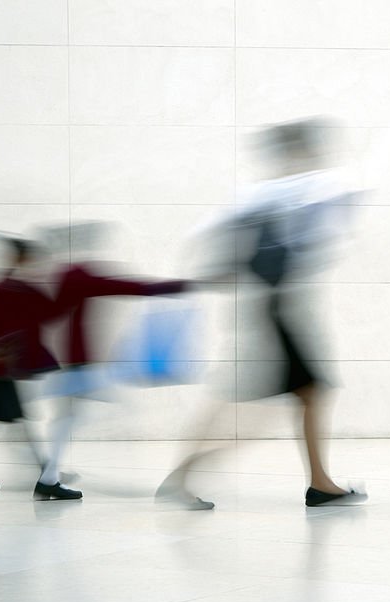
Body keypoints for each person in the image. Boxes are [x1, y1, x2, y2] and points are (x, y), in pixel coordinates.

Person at [157, 118, 367, 509]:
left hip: (276, 308)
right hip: (277, 311)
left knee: (309, 392)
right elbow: (335, 206)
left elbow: (210, 235)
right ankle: (182, 475)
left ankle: (320, 482)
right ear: (297, 150)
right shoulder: (289, 191)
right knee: (254, 406)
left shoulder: (263, 194)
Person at [40, 222, 190, 494]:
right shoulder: (77, 275)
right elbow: (128, 286)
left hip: (71, 361)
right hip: (79, 362)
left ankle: (48, 477)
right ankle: (47, 476)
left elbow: (51, 314)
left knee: (68, 417)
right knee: (101, 408)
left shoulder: (63, 275)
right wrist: (180, 286)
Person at [0, 235, 78, 500]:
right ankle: (46, 475)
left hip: (1, 365)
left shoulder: (6, 287)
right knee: (16, 418)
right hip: (6, 366)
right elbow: (49, 313)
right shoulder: (13, 288)